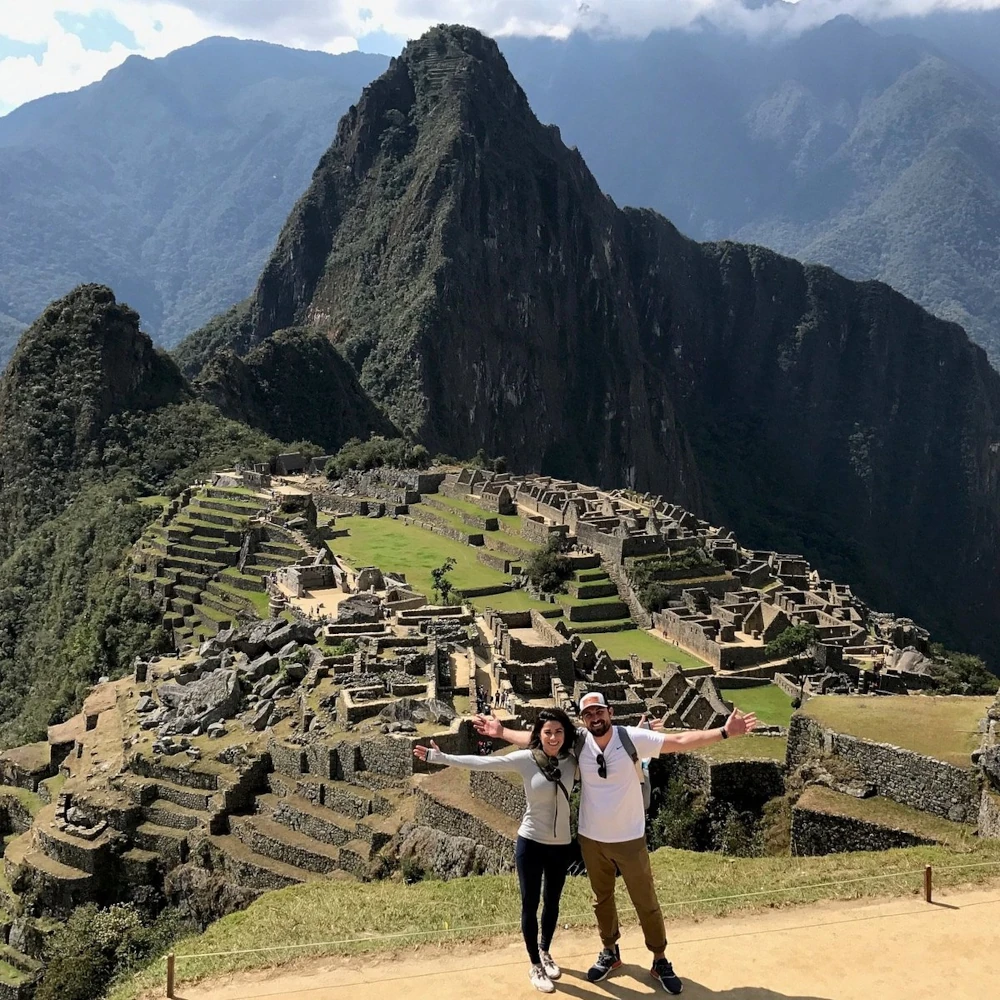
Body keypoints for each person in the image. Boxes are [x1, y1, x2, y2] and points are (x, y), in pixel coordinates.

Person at [475, 693, 757, 994]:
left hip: (629, 837)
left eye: (599, 712)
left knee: (645, 901)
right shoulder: (579, 741)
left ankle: (659, 959)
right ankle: (610, 952)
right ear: (583, 719)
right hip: (591, 838)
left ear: (610, 712)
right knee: (602, 900)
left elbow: (681, 740)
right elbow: (542, 738)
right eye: (588, 714)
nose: (595, 718)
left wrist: (725, 732)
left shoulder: (631, 737)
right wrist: (501, 732)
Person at [414, 708, 578, 994]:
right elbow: (480, 763)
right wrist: (441, 758)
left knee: (552, 902)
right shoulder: (526, 760)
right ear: (538, 735)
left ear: (566, 735)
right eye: (547, 732)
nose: (553, 737)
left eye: (558, 731)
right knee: (530, 904)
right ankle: (535, 965)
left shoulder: (572, 762)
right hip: (531, 842)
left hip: (561, 845)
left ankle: (545, 951)